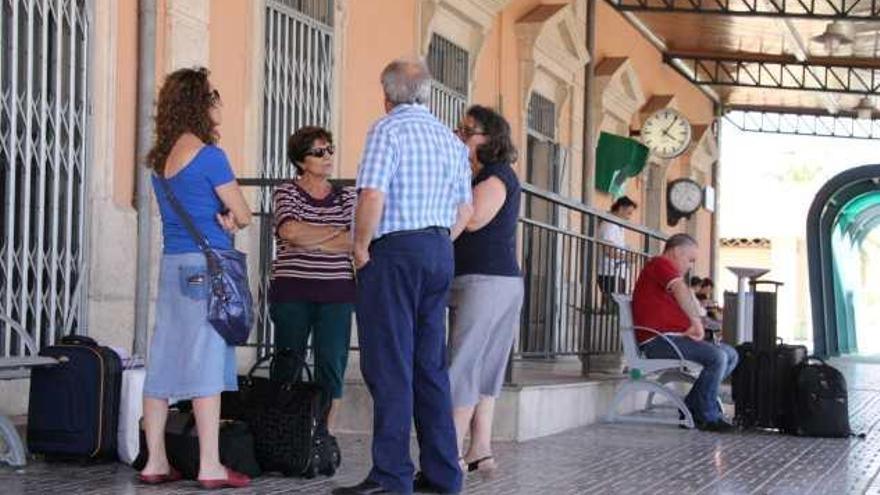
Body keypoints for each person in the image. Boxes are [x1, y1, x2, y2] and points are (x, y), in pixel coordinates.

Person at [333, 58, 472, 495]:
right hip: (438, 251)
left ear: (386, 93)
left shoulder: (387, 129)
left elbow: (372, 192)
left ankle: (391, 477)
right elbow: (464, 210)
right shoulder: (451, 142)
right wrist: (435, 239)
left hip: (394, 253)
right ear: (427, 93)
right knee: (429, 367)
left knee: (389, 364)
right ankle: (443, 474)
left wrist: (359, 246)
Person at [140, 67, 252, 488]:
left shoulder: (158, 161)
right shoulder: (209, 156)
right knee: (206, 363)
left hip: (172, 267)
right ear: (200, 104)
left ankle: (154, 461)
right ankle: (209, 466)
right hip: (206, 270)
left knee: (163, 361)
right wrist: (228, 221)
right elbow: (241, 213)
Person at [447, 105, 522, 475]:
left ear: (490, 139)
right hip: (496, 282)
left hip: (486, 281)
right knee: (484, 365)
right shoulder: (486, 175)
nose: (460, 135)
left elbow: (473, 218)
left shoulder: (495, 176)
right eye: (460, 129)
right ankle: (480, 450)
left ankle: (452, 454)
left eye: (469, 130)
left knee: (465, 363)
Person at [269, 126, 356, 431]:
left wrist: (312, 237)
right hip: (293, 291)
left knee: (332, 364)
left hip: (337, 293)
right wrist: (334, 233)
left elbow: (356, 241)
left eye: (330, 149)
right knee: (288, 361)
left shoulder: (347, 196)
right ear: (301, 160)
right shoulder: (286, 191)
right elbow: (289, 231)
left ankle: (323, 434)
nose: (327, 156)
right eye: (319, 152)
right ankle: (283, 430)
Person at [632, 233, 738, 432]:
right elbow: (680, 288)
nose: (690, 266)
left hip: (673, 339)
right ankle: (707, 416)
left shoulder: (666, 272)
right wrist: (695, 322)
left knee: (731, 354)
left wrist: (696, 324)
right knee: (717, 357)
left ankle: (692, 405)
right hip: (658, 341)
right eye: (690, 259)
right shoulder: (660, 264)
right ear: (676, 251)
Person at [597, 196, 637, 307]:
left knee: (617, 307)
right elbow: (608, 250)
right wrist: (627, 258)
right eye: (628, 213)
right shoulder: (609, 226)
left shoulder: (617, 226)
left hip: (616, 273)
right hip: (609, 273)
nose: (629, 217)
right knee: (614, 307)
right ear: (620, 209)